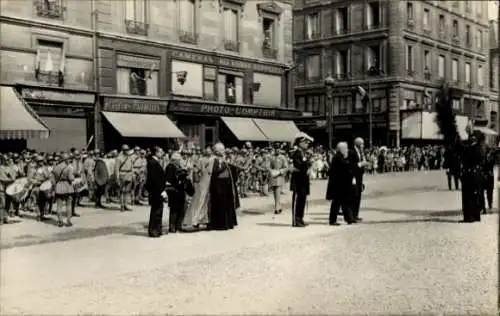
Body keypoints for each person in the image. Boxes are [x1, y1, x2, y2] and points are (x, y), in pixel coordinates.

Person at [209, 142, 239, 230]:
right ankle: (220, 224)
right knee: (220, 205)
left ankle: (229, 223)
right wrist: (222, 164)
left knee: (228, 204)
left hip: (227, 184)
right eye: (222, 150)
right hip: (218, 185)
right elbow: (215, 171)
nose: (223, 151)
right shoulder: (213, 159)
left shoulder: (224, 158)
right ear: (217, 151)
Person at [182, 148, 214, 230]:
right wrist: (196, 183)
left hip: (207, 183)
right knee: (199, 201)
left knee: (205, 202)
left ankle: (203, 220)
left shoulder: (212, 160)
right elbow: (195, 172)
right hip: (202, 184)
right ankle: (194, 221)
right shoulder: (201, 160)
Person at [326, 142, 356, 225]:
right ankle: (333, 220)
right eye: (345, 148)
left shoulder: (339, 157)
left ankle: (348, 218)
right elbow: (346, 167)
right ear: (341, 149)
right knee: (337, 203)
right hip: (338, 185)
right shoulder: (338, 157)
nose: (347, 150)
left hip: (340, 184)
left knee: (344, 202)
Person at [165, 152, 194, 233]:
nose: (180, 161)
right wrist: (179, 179)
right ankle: (172, 227)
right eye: (178, 159)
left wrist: (184, 174)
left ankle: (178, 225)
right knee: (174, 209)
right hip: (174, 190)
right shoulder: (170, 167)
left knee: (182, 208)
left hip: (180, 190)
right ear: (175, 160)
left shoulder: (177, 166)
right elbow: (169, 179)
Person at [460, 130, 486, 223]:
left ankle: (472, 216)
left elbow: (478, 158)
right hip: (468, 174)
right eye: (470, 136)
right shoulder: (469, 147)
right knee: (468, 195)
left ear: (475, 138)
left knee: (473, 195)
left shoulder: (477, 148)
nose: (470, 138)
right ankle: (469, 216)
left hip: (474, 174)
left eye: (473, 137)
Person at [290, 132, 314, 227]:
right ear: (300, 143)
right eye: (305, 142)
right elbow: (298, 165)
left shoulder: (303, 153)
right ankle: (296, 220)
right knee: (297, 200)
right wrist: (307, 167)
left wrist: (308, 162)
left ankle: (300, 218)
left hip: (303, 181)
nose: (307, 144)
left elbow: (306, 164)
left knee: (303, 200)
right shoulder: (297, 153)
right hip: (298, 181)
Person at [146, 147, 167, 238]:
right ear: (156, 153)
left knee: (159, 210)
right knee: (156, 211)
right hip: (156, 191)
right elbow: (154, 179)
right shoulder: (152, 163)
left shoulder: (155, 162)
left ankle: (157, 229)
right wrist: (161, 190)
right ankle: (153, 230)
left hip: (157, 190)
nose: (162, 153)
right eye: (161, 151)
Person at [52, 153, 74, 227]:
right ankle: (68, 221)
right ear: (65, 159)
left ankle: (60, 221)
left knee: (59, 206)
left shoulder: (55, 168)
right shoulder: (68, 168)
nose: (69, 161)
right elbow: (71, 178)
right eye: (68, 159)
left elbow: (53, 180)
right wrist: (74, 178)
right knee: (68, 205)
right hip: (67, 187)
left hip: (58, 187)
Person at [350, 137, 368, 222]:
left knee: (358, 196)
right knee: (354, 196)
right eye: (362, 144)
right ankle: (352, 216)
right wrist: (361, 164)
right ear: (357, 144)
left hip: (359, 177)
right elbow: (351, 165)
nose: (363, 146)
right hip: (354, 177)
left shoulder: (360, 152)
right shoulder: (352, 152)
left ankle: (356, 215)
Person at [268, 147, 288, 214]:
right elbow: (269, 166)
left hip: (279, 176)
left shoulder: (282, 157)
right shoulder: (272, 157)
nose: (277, 150)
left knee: (277, 191)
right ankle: (279, 206)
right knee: (274, 191)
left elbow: (286, 167)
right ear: (274, 149)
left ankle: (276, 207)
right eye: (276, 149)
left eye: (278, 149)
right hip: (273, 176)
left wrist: (280, 171)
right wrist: (271, 171)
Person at [115, 144, 134, 212]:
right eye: (125, 150)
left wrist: (132, 175)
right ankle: (122, 205)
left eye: (127, 149)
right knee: (122, 191)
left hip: (129, 174)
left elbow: (132, 167)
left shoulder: (129, 157)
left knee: (127, 191)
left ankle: (126, 205)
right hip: (122, 174)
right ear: (122, 150)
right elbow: (116, 169)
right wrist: (117, 178)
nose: (127, 151)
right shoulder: (119, 158)